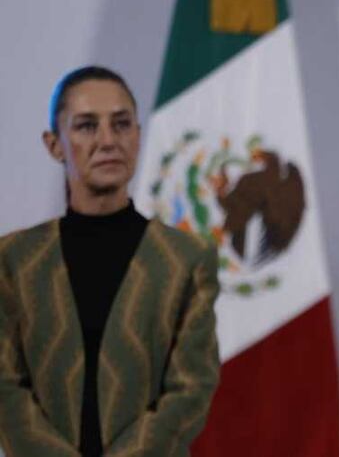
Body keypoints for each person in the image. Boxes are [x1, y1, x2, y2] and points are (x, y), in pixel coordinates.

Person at [0, 66, 220, 457]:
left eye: (121, 124)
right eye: (87, 126)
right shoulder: (14, 260)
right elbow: (4, 387)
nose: (107, 140)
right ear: (54, 144)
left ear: (137, 135)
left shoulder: (186, 259)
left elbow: (191, 388)